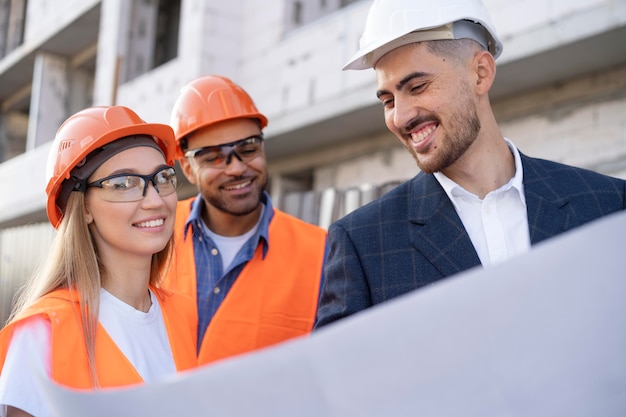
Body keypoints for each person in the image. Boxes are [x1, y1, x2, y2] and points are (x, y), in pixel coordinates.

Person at [314, 0, 626, 328]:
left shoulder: (607, 206)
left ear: (481, 73)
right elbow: (341, 377)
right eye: (388, 100)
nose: (400, 116)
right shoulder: (362, 244)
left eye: (417, 87)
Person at [0, 106, 197, 417]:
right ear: (84, 208)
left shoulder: (185, 314)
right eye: (123, 184)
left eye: (162, 177)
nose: (155, 199)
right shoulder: (43, 332)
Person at [165, 75, 328, 365]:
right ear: (188, 169)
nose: (237, 168)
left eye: (248, 149)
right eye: (213, 157)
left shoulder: (323, 251)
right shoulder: (153, 235)